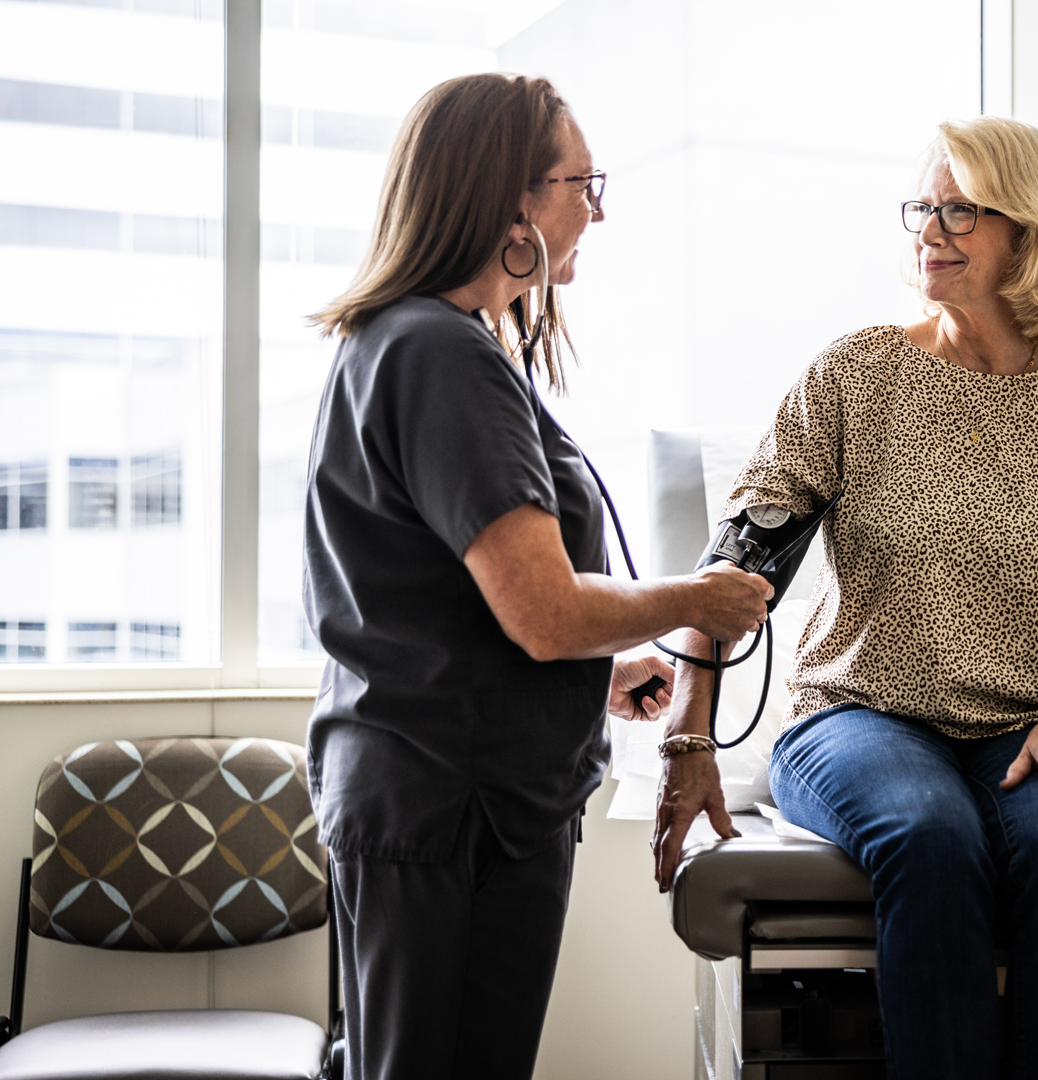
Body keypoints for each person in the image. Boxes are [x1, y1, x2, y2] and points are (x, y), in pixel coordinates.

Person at [651, 116, 1038, 1079]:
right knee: (928, 834)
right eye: (924, 205)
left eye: (962, 208)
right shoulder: (856, 376)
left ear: (1032, 234)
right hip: (861, 715)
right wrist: (688, 737)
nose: (931, 227)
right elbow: (732, 576)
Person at [303, 73, 772, 1080]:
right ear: (511, 196)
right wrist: (700, 599)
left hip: (426, 787)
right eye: (583, 183)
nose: (596, 210)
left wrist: (595, 673)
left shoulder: (418, 342)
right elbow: (548, 612)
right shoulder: (441, 356)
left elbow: (450, 602)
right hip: (451, 809)